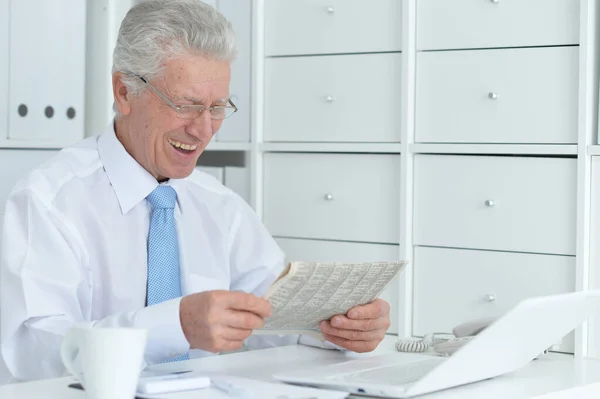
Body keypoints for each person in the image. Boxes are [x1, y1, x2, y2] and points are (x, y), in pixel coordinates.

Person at [0, 0, 391, 381]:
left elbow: (276, 313)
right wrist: (173, 327)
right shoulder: (49, 200)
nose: (205, 130)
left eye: (218, 107)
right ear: (124, 92)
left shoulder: (219, 205)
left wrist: (337, 328)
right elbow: (33, 353)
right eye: (186, 105)